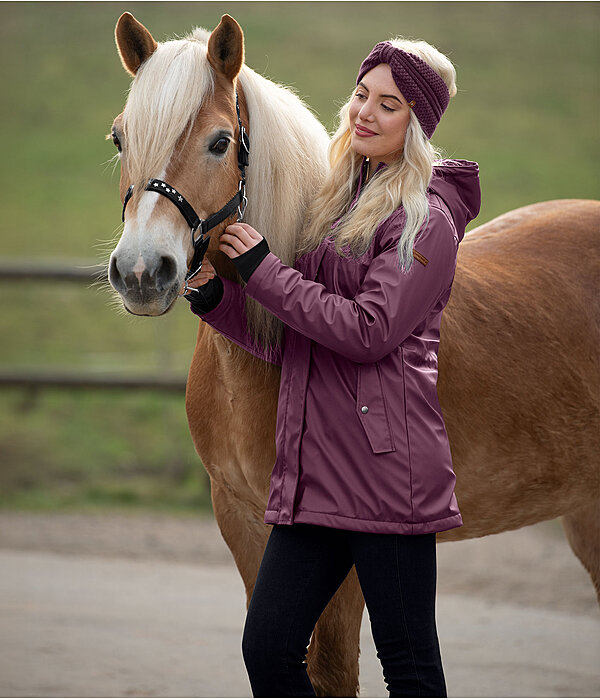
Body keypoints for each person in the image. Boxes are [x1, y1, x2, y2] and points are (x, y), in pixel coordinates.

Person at [185, 37, 481, 698]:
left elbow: (368, 333)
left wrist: (263, 271)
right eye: (360, 95)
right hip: (315, 479)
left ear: (417, 124)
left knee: (408, 666)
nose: (364, 114)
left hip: (386, 481)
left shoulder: (425, 221)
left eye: (390, 104)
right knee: (268, 651)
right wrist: (219, 300)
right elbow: (302, 342)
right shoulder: (335, 205)